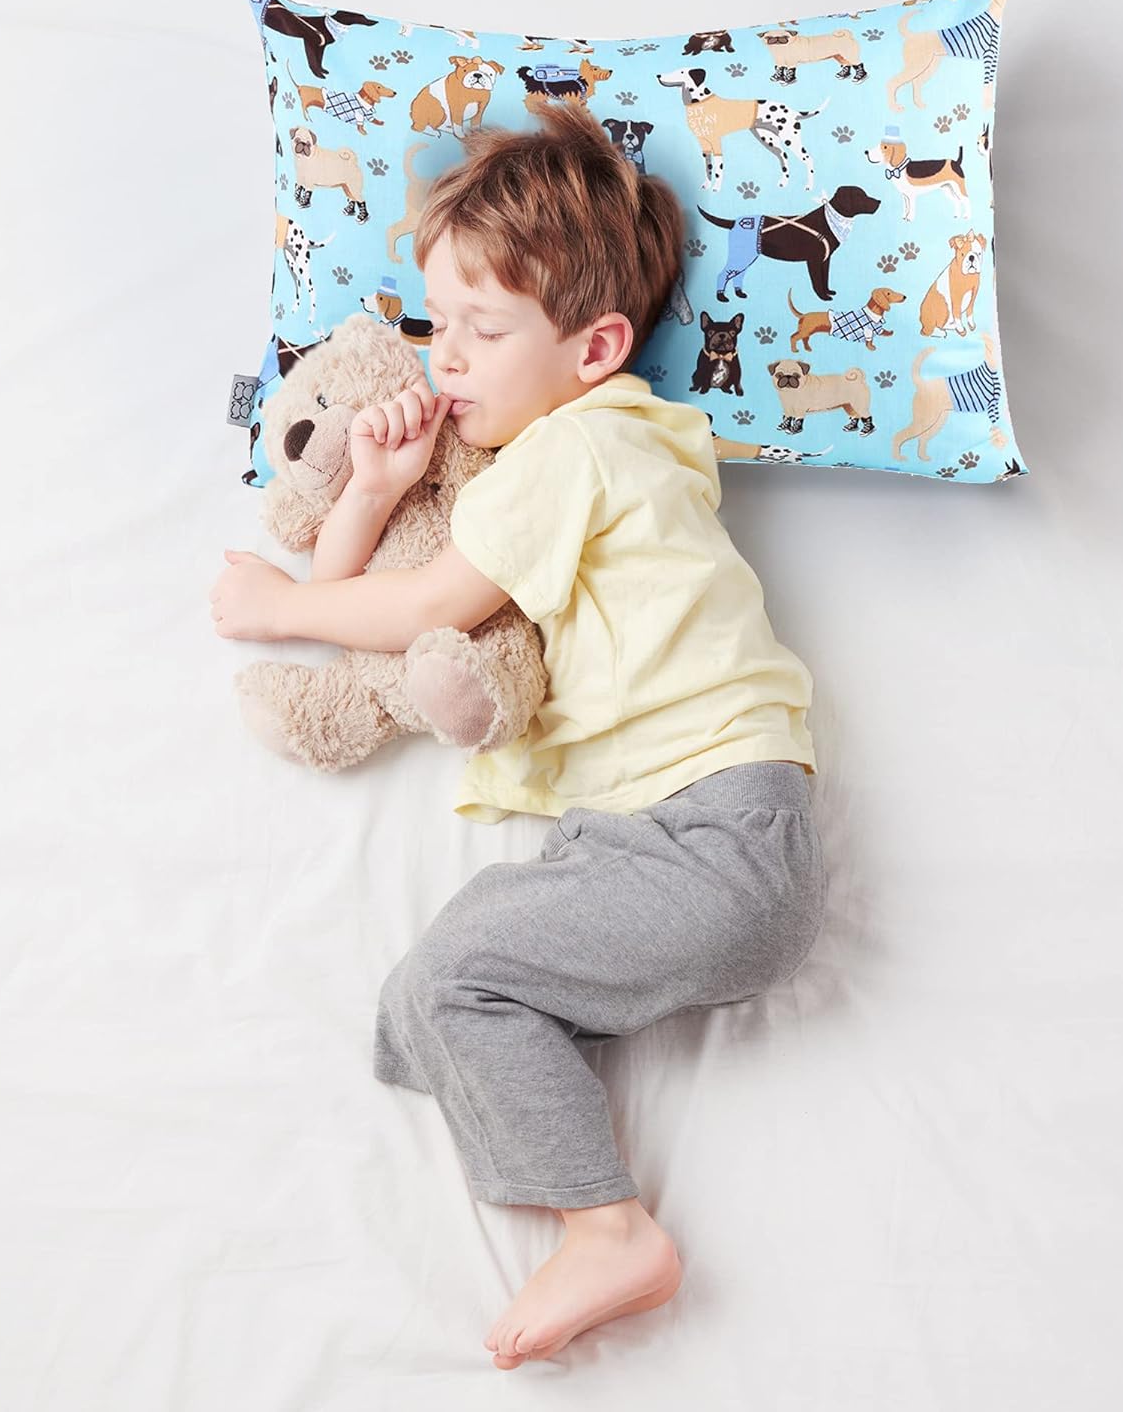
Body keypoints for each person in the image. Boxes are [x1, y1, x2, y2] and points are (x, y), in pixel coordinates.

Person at [208, 101, 827, 1370]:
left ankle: (609, 1229)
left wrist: (277, 611)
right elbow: (378, 584)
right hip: (676, 843)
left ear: (595, 349)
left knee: (451, 983)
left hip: (711, 840)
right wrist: (376, 486)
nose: (445, 360)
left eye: (484, 332)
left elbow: (419, 609)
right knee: (442, 989)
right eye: (435, 323)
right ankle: (547, 1138)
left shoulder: (581, 449)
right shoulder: (586, 451)